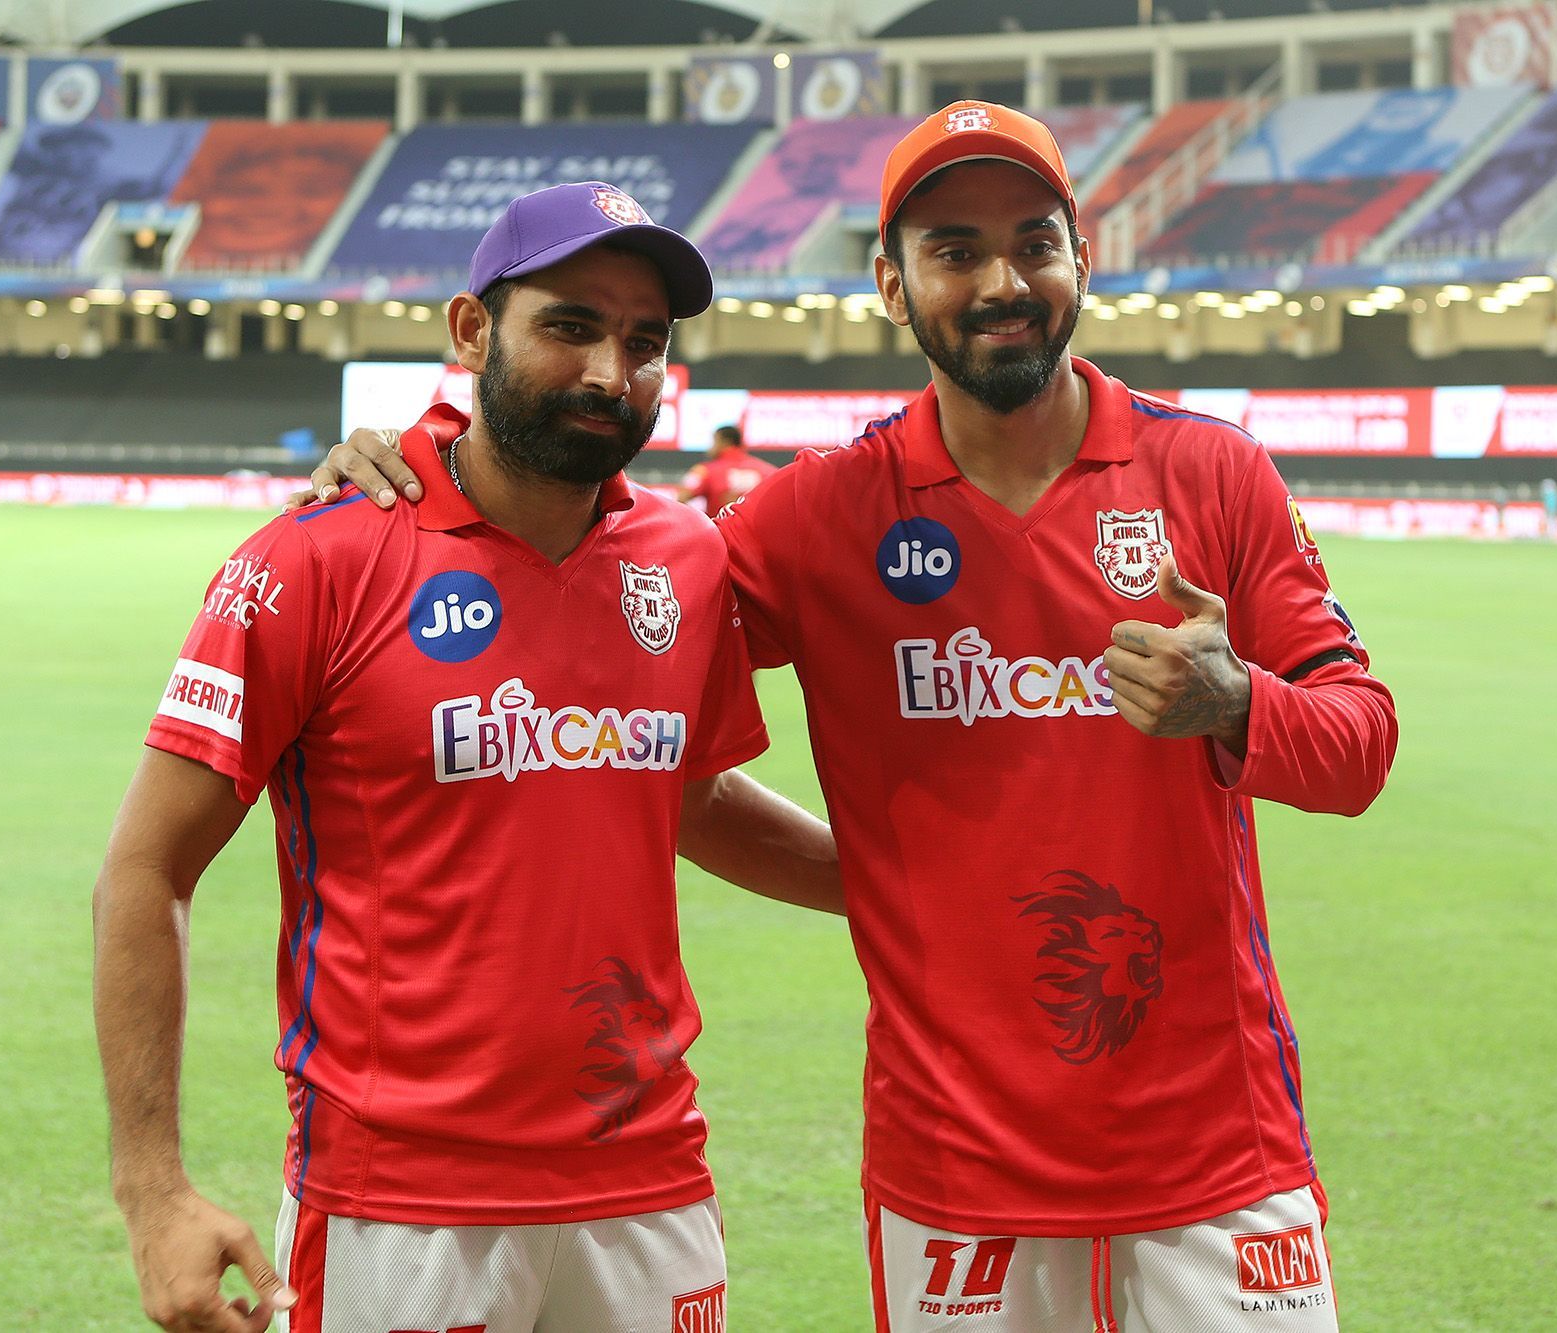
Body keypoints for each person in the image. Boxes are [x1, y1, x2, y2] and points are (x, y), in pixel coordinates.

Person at [305, 103, 1398, 1332]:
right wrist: (415, 478)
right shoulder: (815, 517)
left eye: (1033, 242)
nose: (1001, 281)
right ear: (890, 283)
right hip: (955, 1169)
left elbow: (1359, 744)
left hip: (1217, 1154)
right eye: (952, 250)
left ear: (1081, 259)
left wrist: (1237, 701)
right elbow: (618, 671)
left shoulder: (1215, 472)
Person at [93, 180, 842, 1333]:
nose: (610, 371)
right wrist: (153, 1192)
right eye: (571, 326)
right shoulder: (315, 559)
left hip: (646, 1185)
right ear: (469, 329)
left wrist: (900, 883)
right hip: (400, 1202)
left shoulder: (686, 561)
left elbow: (687, 795)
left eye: (644, 342)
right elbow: (146, 872)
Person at [679, 423, 778, 515]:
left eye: (714, 441)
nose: (710, 448)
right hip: (756, 531)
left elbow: (681, 499)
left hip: (720, 532)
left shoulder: (704, 471)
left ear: (724, 442)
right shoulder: (768, 471)